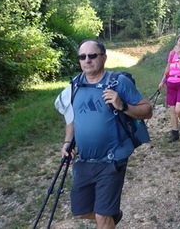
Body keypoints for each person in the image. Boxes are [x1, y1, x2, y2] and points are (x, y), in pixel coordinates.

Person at [58, 40, 152, 228]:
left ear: (104, 58)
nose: (87, 60)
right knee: (81, 211)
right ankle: (111, 216)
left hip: (112, 159)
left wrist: (123, 106)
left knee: (101, 216)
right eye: (82, 57)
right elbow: (71, 120)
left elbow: (147, 110)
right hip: (84, 160)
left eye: (92, 55)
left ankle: (106, 215)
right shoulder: (74, 87)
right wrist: (68, 143)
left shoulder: (118, 83)